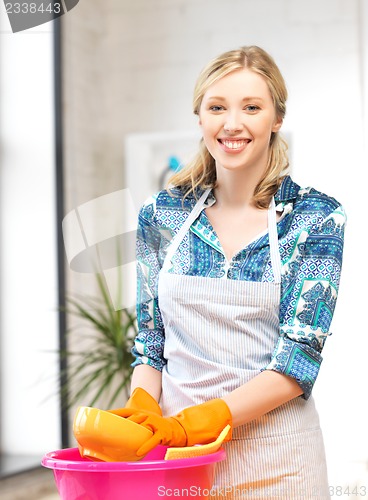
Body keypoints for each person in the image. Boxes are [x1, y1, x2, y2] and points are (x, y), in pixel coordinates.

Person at [121, 46, 346, 499]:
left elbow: (299, 357)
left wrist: (205, 419)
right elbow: (150, 340)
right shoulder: (163, 214)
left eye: (251, 107)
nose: (232, 124)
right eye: (217, 107)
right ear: (199, 116)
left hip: (278, 461)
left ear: (276, 118)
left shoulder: (314, 217)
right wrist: (144, 401)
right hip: (181, 460)